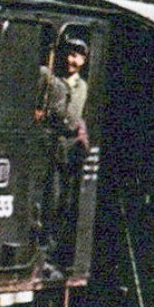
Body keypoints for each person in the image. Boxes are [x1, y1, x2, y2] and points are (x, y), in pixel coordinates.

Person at [35, 36, 90, 271]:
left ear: (84, 61)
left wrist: (81, 133)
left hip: (71, 150)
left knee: (65, 204)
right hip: (50, 145)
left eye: (76, 56)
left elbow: (81, 117)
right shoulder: (49, 79)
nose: (71, 60)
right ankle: (41, 250)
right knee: (49, 199)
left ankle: (55, 252)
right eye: (68, 54)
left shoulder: (84, 87)